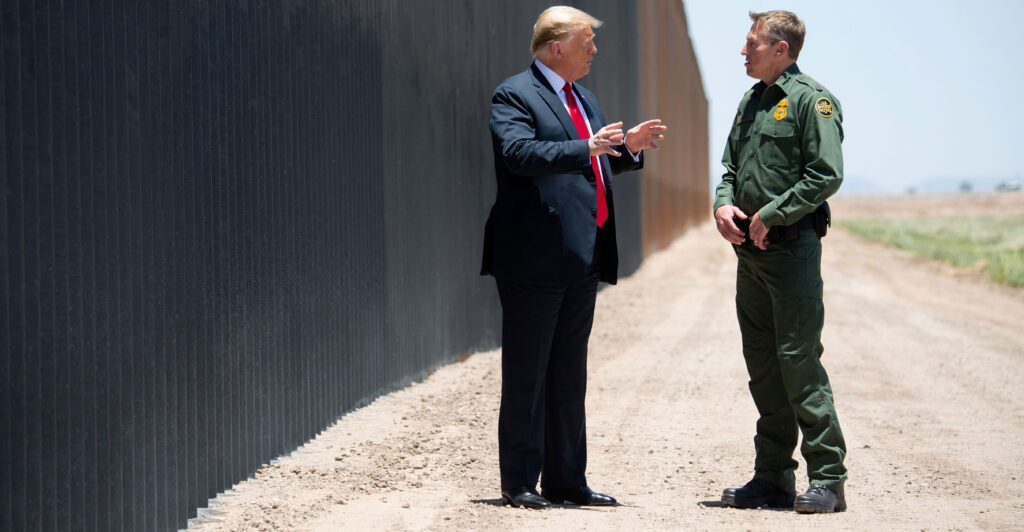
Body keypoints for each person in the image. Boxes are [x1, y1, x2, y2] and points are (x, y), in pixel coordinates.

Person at [480, 5, 666, 510]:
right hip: (534, 256)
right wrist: (588, 146)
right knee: (529, 373)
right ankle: (519, 481)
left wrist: (625, 148)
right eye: (588, 43)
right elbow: (519, 154)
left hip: (582, 252)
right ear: (556, 47)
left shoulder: (583, 97)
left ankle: (566, 480)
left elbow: (591, 161)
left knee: (568, 372)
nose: (595, 51)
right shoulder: (514, 94)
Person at [713, 10, 848, 514]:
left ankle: (829, 479)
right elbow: (730, 168)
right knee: (764, 366)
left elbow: (826, 174)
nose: (743, 51)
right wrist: (722, 205)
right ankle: (772, 478)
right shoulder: (752, 101)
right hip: (750, 257)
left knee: (798, 362)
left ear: (780, 49)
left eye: (752, 43)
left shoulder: (813, 101)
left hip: (791, 252)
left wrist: (773, 213)